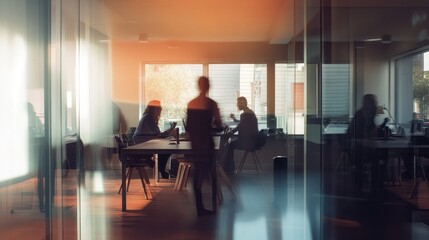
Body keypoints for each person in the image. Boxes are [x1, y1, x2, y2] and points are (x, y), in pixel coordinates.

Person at [186, 76, 223, 216]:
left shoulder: (191, 103)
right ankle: (213, 207)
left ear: (198, 86)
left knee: (197, 177)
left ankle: (199, 208)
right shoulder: (211, 104)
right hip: (207, 144)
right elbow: (219, 126)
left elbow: (189, 127)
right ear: (208, 87)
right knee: (212, 176)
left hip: (196, 145)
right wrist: (213, 126)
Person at [133, 100, 176, 179]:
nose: (161, 109)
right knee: (166, 150)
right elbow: (158, 134)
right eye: (159, 107)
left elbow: (158, 134)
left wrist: (170, 129)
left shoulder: (149, 117)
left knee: (166, 149)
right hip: (143, 144)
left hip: (144, 142)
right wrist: (170, 130)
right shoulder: (148, 117)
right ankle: (160, 169)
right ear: (154, 108)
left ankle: (158, 167)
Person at [223, 96, 259, 173]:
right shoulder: (249, 113)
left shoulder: (246, 115)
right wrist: (234, 119)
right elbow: (242, 123)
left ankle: (229, 168)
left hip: (247, 143)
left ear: (242, 104)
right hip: (252, 141)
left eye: (238, 104)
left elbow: (240, 126)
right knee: (230, 144)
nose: (237, 105)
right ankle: (229, 168)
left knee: (229, 145)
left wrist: (230, 132)